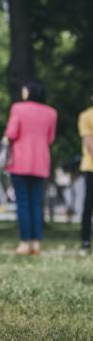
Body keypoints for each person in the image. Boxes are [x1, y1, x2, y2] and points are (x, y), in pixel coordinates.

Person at [5, 80, 58, 256]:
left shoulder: (18, 108)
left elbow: (12, 133)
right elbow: (50, 138)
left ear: (29, 92)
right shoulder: (51, 113)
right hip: (42, 162)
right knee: (36, 203)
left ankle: (24, 243)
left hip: (20, 161)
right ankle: (36, 244)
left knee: (23, 203)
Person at [78, 86, 93, 255]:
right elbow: (89, 144)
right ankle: (85, 242)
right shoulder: (86, 116)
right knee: (88, 205)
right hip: (91, 167)